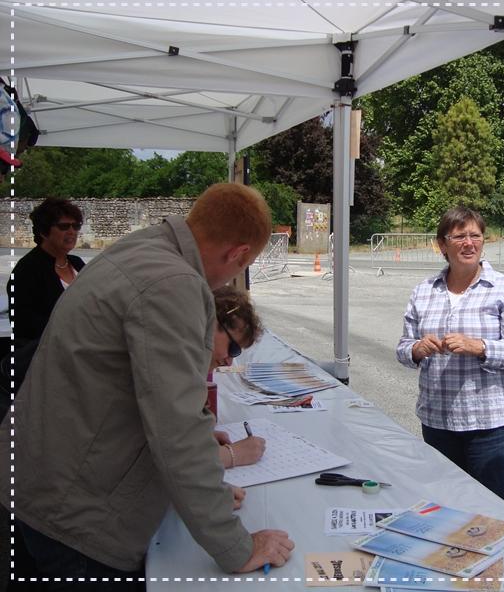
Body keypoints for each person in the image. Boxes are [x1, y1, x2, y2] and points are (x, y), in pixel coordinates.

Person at [0, 182, 294, 589]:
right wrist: (238, 546)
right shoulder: (175, 283)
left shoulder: (141, 248)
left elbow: (138, 393)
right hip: (76, 519)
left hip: (44, 486)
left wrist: (202, 488)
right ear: (238, 254)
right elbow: (178, 428)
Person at [396, 206, 504, 505]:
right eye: (459, 236)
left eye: (476, 235)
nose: (469, 243)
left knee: (491, 513)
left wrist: (480, 347)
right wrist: (417, 350)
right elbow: (403, 347)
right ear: (442, 245)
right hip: (438, 421)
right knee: (444, 507)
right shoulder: (423, 291)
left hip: (491, 424)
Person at [6, 198, 85, 346]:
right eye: (64, 227)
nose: (72, 232)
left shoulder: (77, 263)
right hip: (49, 353)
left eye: (76, 226)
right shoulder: (27, 271)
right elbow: (23, 325)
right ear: (43, 231)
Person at [210, 285, 266, 469]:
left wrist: (198, 438)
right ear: (210, 323)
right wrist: (234, 454)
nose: (228, 363)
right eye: (233, 348)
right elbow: (176, 460)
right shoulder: (171, 365)